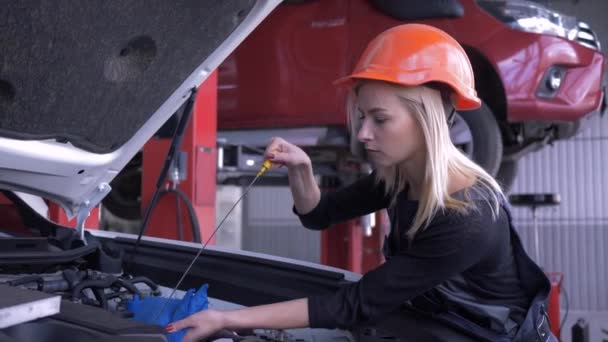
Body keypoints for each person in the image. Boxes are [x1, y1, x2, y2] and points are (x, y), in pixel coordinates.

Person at [166, 24, 556, 342]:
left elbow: (356, 305)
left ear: (427, 119)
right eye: (362, 117)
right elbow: (319, 215)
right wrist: (302, 169)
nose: (364, 134)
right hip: (437, 322)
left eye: (380, 119)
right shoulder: (399, 178)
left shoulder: (468, 217)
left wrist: (224, 320)